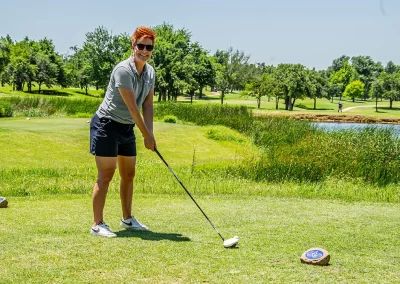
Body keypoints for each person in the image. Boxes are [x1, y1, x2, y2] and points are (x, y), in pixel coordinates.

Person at [89, 26, 157, 238]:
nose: (145, 50)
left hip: (127, 127)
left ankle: (127, 219)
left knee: (129, 174)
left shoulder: (150, 72)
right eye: (141, 45)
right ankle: (97, 224)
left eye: (149, 47)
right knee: (106, 175)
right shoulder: (123, 70)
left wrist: (151, 134)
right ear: (133, 45)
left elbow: (147, 105)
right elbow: (132, 108)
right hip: (106, 125)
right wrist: (145, 135)